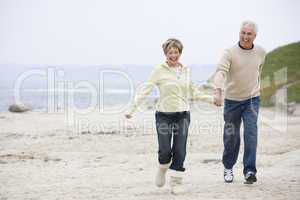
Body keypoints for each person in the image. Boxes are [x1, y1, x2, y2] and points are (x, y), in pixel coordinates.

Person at [125, 38, 212, 191]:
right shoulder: (159, 70)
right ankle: (162, 168)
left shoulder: (185, 71)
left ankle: (176, 183)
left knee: (180, 149)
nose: (173, 55)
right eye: (170, 52)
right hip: (163, 115)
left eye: (176, 52)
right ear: (165, 53)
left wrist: (212, 100)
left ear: (180, 53)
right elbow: (145, 89)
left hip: (183, 115)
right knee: (165, 150)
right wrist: (132, 109)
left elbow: (193, 92)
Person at [213, 21, 266, 184]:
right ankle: (228, 167)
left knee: (251, 134)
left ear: (254, 36)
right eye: (243, 32)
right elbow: (221, 72)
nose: (245, 36)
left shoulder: (261, 52)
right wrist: (218, 91)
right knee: (231, 137)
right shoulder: (229, 52)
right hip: (232, 101)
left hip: (252, 100)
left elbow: (258, 72)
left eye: (249, 33)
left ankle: (249, 170)